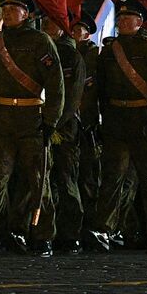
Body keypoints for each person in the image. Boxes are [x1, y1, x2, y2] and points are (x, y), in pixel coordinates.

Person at [0, 0, 64, 257]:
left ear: (27, 13)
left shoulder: (40, 42)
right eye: (5, 9)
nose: (8, 13)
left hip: (32, 120)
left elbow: (56, 86)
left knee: (38, 181)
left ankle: (43, 235)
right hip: (1, 120)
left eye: (14, 9)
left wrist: (50, 121)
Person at [87, 0, 147, 254]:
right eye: (121, 19)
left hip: (143, 123)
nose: (123, 22)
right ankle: (105, 229)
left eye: (129, 19)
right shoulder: (109, 52)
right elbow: (99, 90)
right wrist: (97, 120)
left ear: (140, 22)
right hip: (116, 122)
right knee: (112, 180)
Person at [45, 13, 86, 253]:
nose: (47, 25)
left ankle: (70, 235)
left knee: (66, 180)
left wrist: (56, 124)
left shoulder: (72, 56)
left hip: (64, 129)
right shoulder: (43, 51)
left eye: (53, 21)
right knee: (44, 182)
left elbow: (72, 99)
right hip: (42, 126)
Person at [70, 10, 103, 248]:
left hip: (90, 122)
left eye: (80, 29)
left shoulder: (96, 56)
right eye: (73, 29)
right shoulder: (66, 53)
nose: (75, 33)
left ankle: (91, 226)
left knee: (90, 178)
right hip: (70, 123)